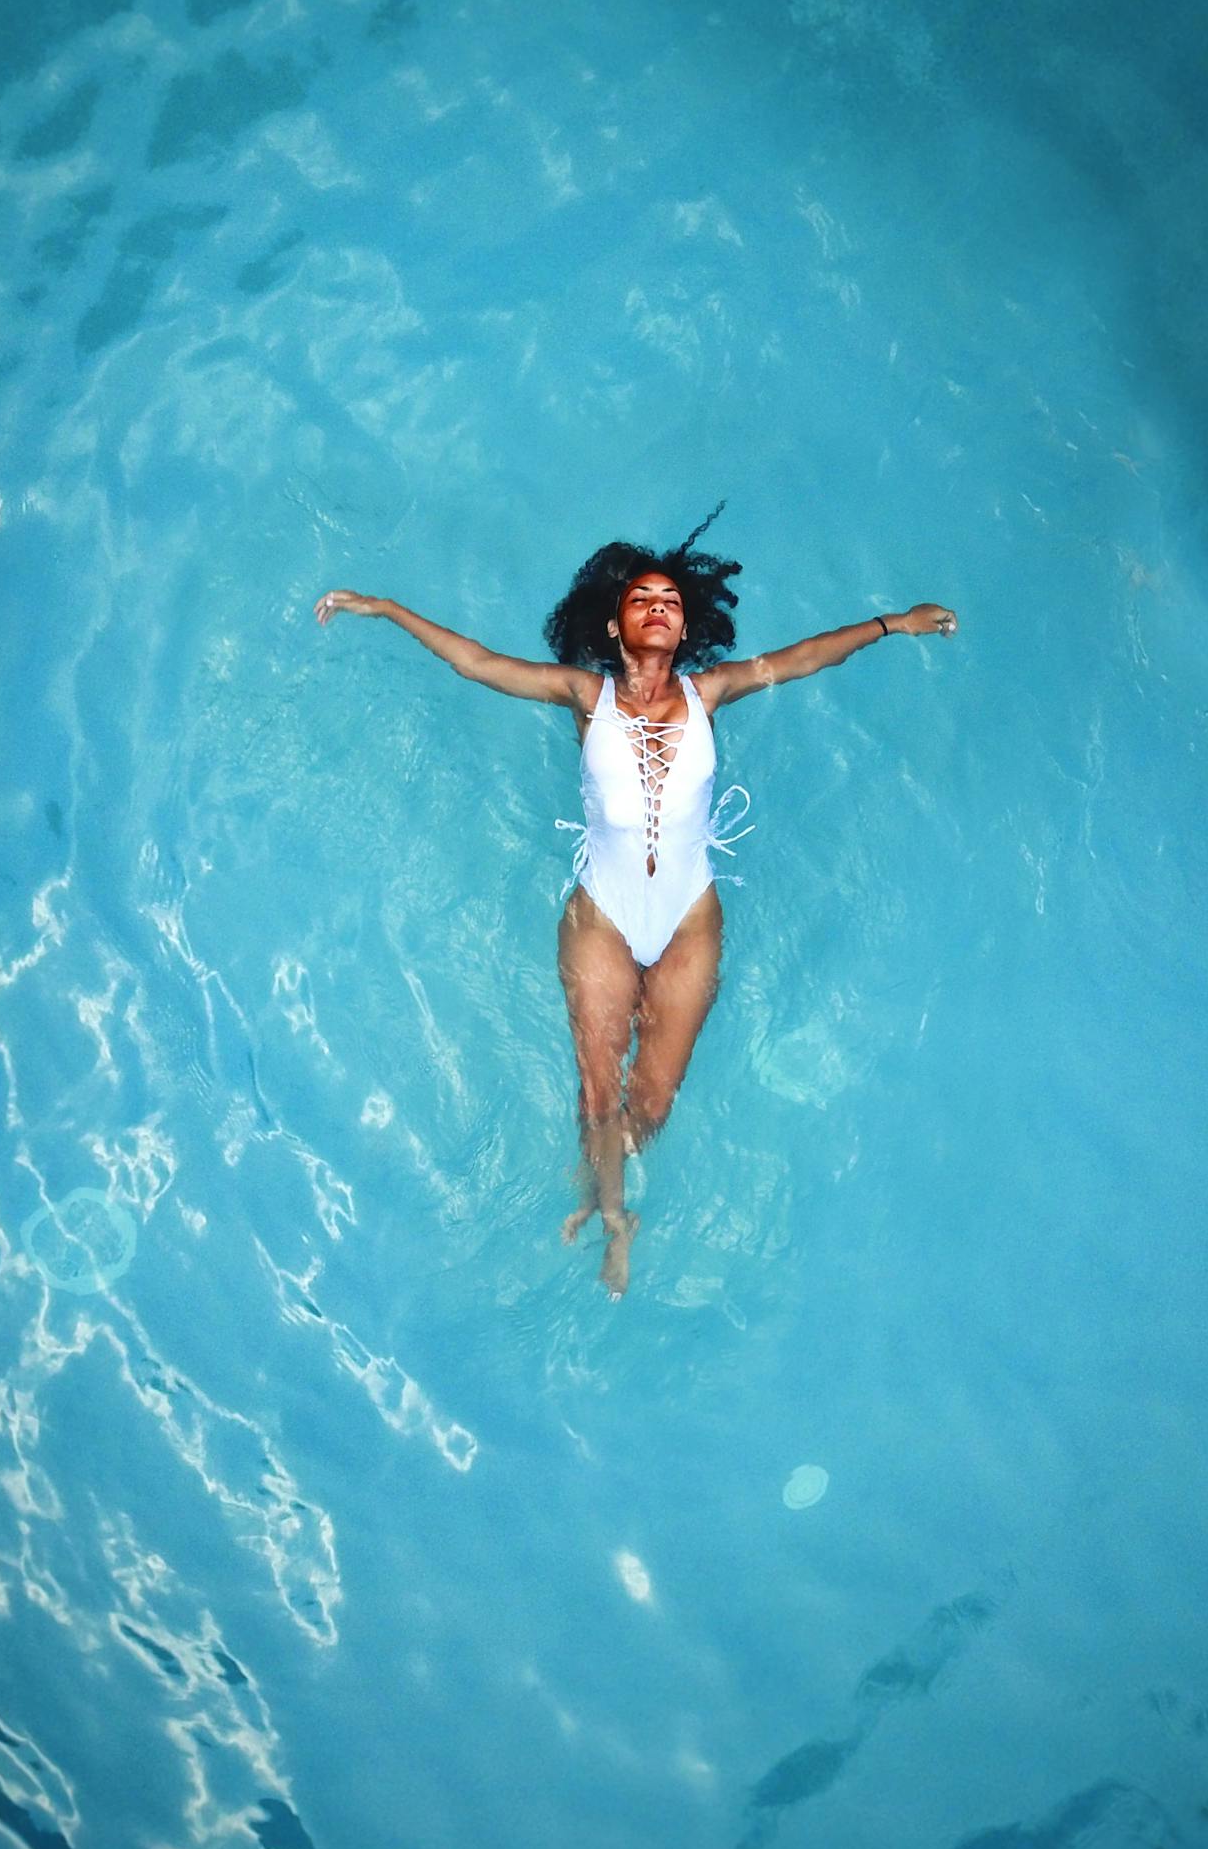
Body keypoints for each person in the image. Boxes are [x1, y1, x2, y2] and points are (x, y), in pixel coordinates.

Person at [315, 515, 957, 1295]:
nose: (658, 605)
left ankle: (603, 1174)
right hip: (604, 917)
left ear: (685, 627)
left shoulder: (709, 691)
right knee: (596, 1087)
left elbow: (805, 656)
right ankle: (614, 1219)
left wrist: (893, 624)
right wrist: (385, 607)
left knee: (648, 1101)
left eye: (670, 600)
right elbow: (477, 662)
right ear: (615, 624)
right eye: (641, 598)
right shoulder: (584, 695)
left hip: (688, 915)